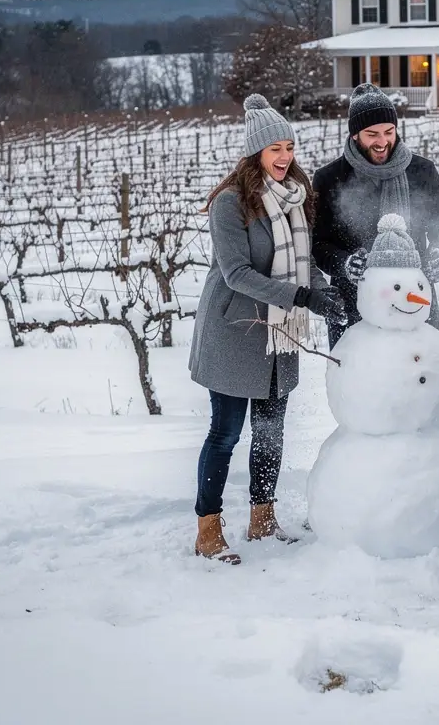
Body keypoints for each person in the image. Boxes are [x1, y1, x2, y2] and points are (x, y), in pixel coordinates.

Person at [189, 94, 345, 564]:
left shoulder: (297, 199)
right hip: (235, 330)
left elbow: (304, 266)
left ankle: (262, 518)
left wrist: (324, 292)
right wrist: (302, 298)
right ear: (255, 153)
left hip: (279, 336)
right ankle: (208, 530)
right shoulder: (231, 204)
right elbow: (236, 273)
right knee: (226, 432)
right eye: (275, 148)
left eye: (289, 147)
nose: (284, 157)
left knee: (271, 431)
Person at [312, 83, 439, 349]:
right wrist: (346, 264)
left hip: (413, 302)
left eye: (389, 132)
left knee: (420, 383)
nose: (382, 142)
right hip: (354, 306)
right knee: (358, 387)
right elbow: (319, 245)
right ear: (355, 135)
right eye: (372, 134)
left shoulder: (421, 172)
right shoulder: (329, 179)